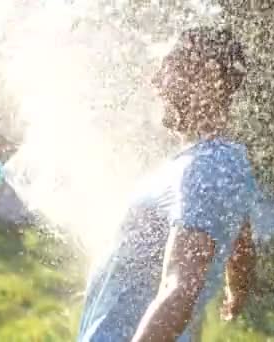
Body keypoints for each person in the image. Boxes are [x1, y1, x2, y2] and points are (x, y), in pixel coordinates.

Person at [78, 26, 258, 342]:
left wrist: (236, 286)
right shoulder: (203, 165)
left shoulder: (210, 165)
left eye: (169, 66)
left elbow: (180, 290)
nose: (156, 81)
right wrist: (237, 289)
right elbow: (240, 239)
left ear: (207, 76)